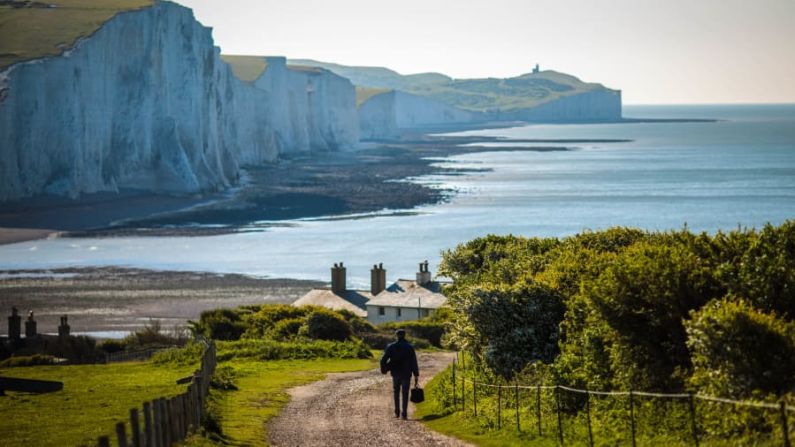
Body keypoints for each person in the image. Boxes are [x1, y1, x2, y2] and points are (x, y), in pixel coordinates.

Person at [380, 328, 419, 419]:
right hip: (406, 373)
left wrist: (384, 369)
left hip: (395, 373)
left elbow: (383, 359)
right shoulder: (409, 347)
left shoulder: (391, 346)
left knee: (396, 392)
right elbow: (414, 362)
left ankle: (397, 412)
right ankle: (404, 414)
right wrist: (416, 374)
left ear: (396, 335)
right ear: (405, 335)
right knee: (405, 393)